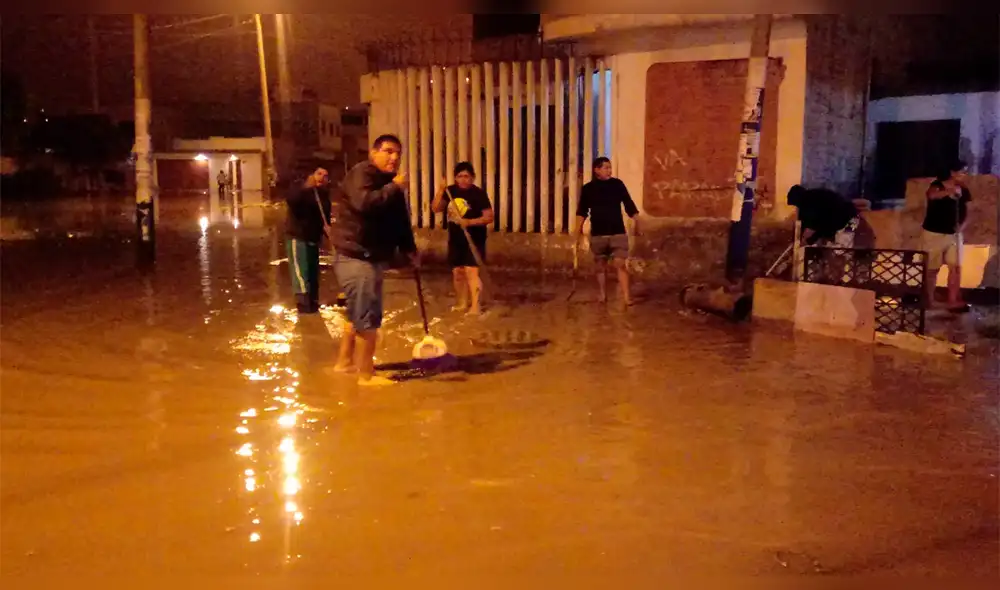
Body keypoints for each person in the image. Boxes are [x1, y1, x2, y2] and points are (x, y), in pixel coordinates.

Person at [329, 134, 418, 386]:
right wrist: (395, 187)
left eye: (397, 153)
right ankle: (366, 376)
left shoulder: (391, 183)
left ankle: (345, 363)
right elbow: (364, 203)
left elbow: (400, 221)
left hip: (371, 256)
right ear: (373, 153)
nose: (394, 157)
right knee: (368, 315)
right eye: (388, 151)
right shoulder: (362, 174)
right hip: (356, 256)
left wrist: (410, 250)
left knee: (355, 313)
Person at [431, 161, 494, 315]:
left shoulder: (478, 194)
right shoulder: (450, 191)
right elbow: (435, 208)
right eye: (460, 176)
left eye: (466, 176)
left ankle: (475, 307)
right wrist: (440, 190)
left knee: (471, 271)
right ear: (455, 178)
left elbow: (489, 217)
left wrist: (469, 222)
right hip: (456, 238)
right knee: (458, 272)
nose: (463, 179)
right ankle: (461, 302)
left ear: (472, 177)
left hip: (474, 238)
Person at [575, 157, 640, 305]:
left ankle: (626, 297)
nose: (609, 170)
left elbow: (628, 203)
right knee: (600, 266)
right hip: (598, 233)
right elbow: (582, 211)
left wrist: (637, 220)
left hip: (617, 231)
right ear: (596, 170)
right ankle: (602, 295)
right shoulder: (588, 189)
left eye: (610, 167)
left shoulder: (617, 185)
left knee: (620, 263)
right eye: (606, 168)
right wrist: (577, 231)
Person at [786, 184, 871, 284]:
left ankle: (837, 281)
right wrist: (803, 240)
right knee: (831, 250)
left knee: (839, 251)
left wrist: (803, 241)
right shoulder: (814, 198)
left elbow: (813, 226)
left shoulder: (809, 203)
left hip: (849, 221)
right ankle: (831, 278)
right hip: (847, 221)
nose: (796, 207)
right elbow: (816, 226)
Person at [921, 160, 971, 313]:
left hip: (954, 235)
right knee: (931, 269)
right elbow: (932, 196)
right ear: (953, 173)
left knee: (955, 268)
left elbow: (971, 211)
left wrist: (961, 227)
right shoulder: (937, 184)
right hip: (933, 233)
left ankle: (952, 300)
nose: (965, 175)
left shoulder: (964, 189)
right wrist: (950, 193)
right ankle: (930, 300)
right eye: (963, 172)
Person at [285, 167, 331, 314]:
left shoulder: (324, 196)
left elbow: (324, 218)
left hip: (313, 238)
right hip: (298, 236)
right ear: (311, 175)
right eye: (319, 173)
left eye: (325, 175)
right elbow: (292, 200)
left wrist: (328, 231)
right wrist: (306, 187)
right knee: (300, 271)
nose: (322, 177)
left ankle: (313, 302)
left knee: (312, 272)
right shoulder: (299, 189)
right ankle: (303, 305)